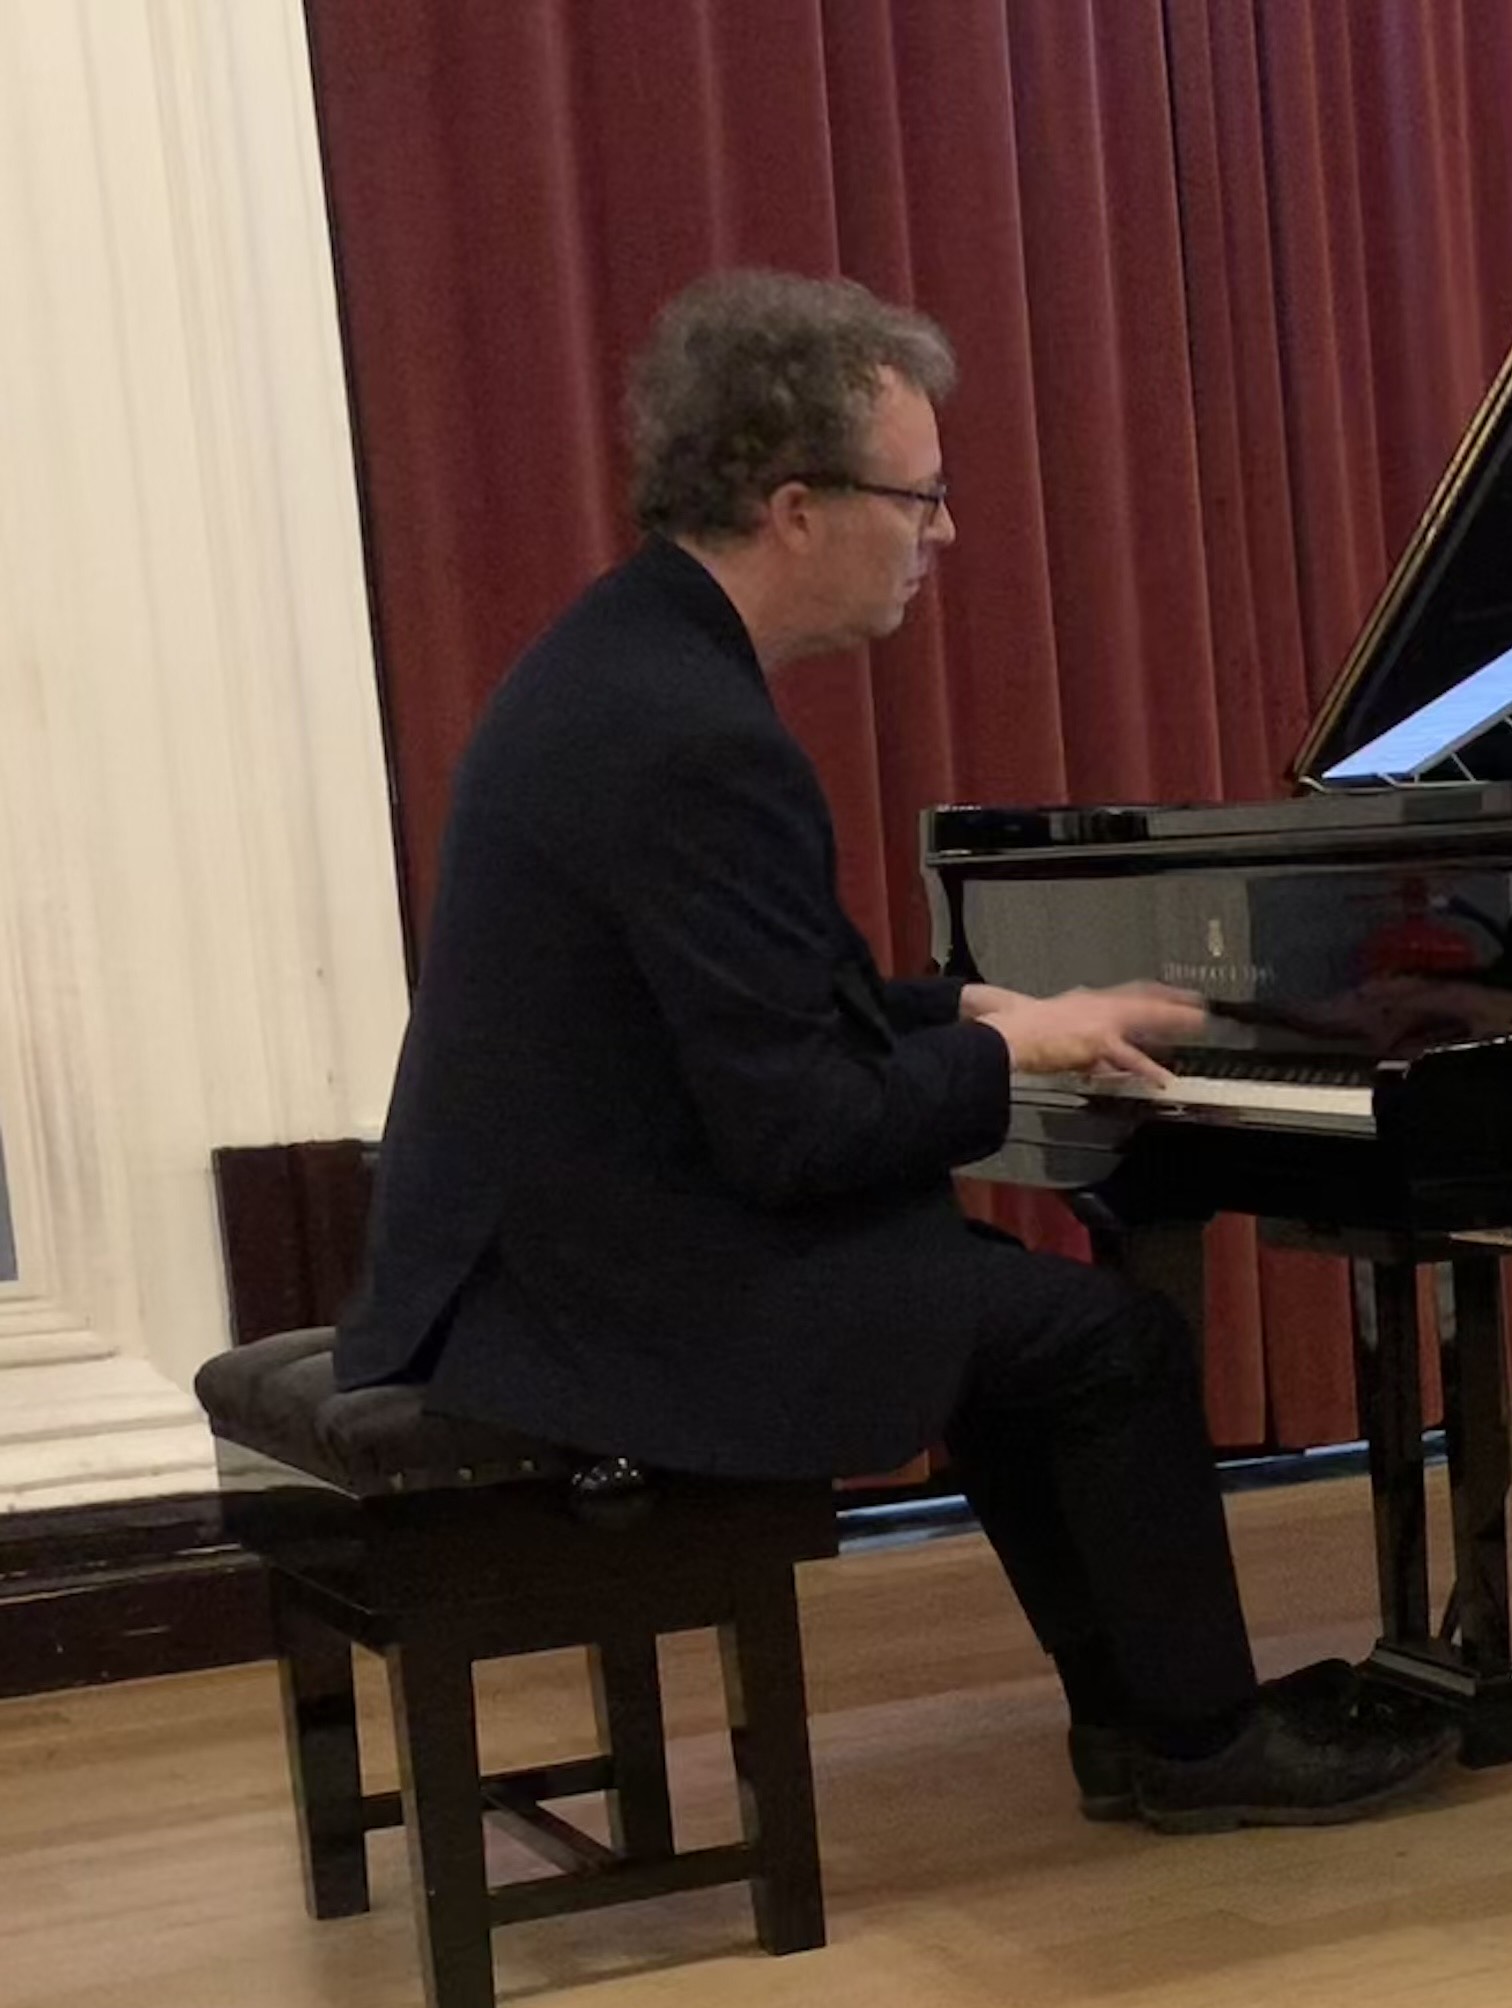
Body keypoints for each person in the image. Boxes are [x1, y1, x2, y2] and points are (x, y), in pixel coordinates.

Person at [337, 270, 1454, 1829]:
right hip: (607, 1293)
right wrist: (1021, 1054)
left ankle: (1141, 1723)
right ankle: (1197, 1743)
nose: (947, 533)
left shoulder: (628, 661)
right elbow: (795, 1127)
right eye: (919, 498)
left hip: (555, 1243)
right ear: (795, 508)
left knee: (1008, 1321)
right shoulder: (694, 732)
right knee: (1104, 1345)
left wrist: (966, 1011)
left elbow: (747, 1008)